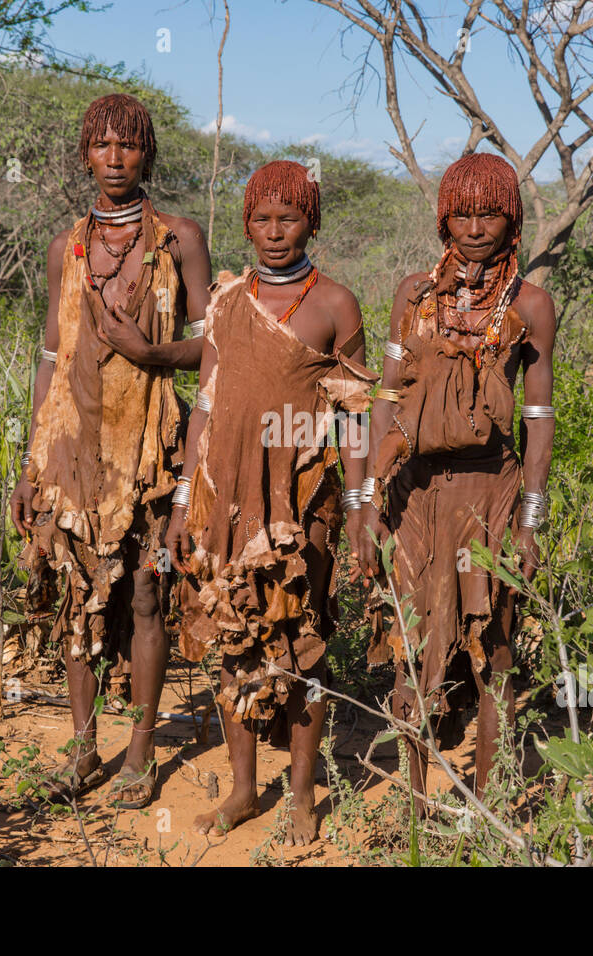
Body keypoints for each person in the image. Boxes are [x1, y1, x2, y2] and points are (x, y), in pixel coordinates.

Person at [9, 92, 211, 808]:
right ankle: (84, 750)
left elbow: (215, 348)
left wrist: (151, 349)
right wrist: (31, 464)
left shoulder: (178, 237)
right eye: (103, 145)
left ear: (147, 153)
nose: (116, 158)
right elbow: (49, 356)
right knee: (77, 601)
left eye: (129, 145)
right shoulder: (66, 247)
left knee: (149, 593)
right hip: (73, 451)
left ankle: (143, 752)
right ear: (86, 153)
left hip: (151, 446)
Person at [167, 161, 377, 846]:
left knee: (301, 645)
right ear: (247, 224)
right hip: (223, 501)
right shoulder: (227, 300)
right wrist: (180, 501)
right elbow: (203, 401)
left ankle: (304, 795)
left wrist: (356, 510)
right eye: (262, 219)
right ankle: (243, 789)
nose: (275, 232)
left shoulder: (336, 305)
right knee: (234, 638)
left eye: (290, 218)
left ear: (312, 222)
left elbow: (353, 418)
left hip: (298, 507)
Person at [359, 152, 556, 817]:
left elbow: (538, 421)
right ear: (444, 216)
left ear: (512, 218)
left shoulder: (529, 306)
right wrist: (368, 502)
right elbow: (386, 397)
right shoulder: (414, 294)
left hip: (490, 493)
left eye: (490, 213)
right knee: (412, 647)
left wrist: (529, 522)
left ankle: (491, 798)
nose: (475, 228)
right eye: (463, 213)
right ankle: (413, 804)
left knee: (490, 648)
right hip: (413, 492)